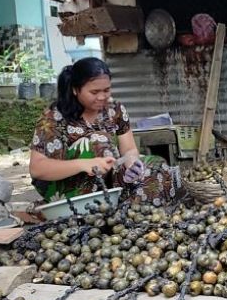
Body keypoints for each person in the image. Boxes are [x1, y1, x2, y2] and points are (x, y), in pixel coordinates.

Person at [29, 57, 176, 206]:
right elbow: (37, 169)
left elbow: (129, 150)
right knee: (97, 141)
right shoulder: (53, 118)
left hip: (109, 179)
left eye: (106, 90)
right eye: (94, 92)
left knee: (157, 167)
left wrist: (132, 165)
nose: (101, 97)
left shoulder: (115, 109)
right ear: (75, 89)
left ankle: (124, 211)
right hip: (64, 186)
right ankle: (88, 208)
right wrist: (85, 164)